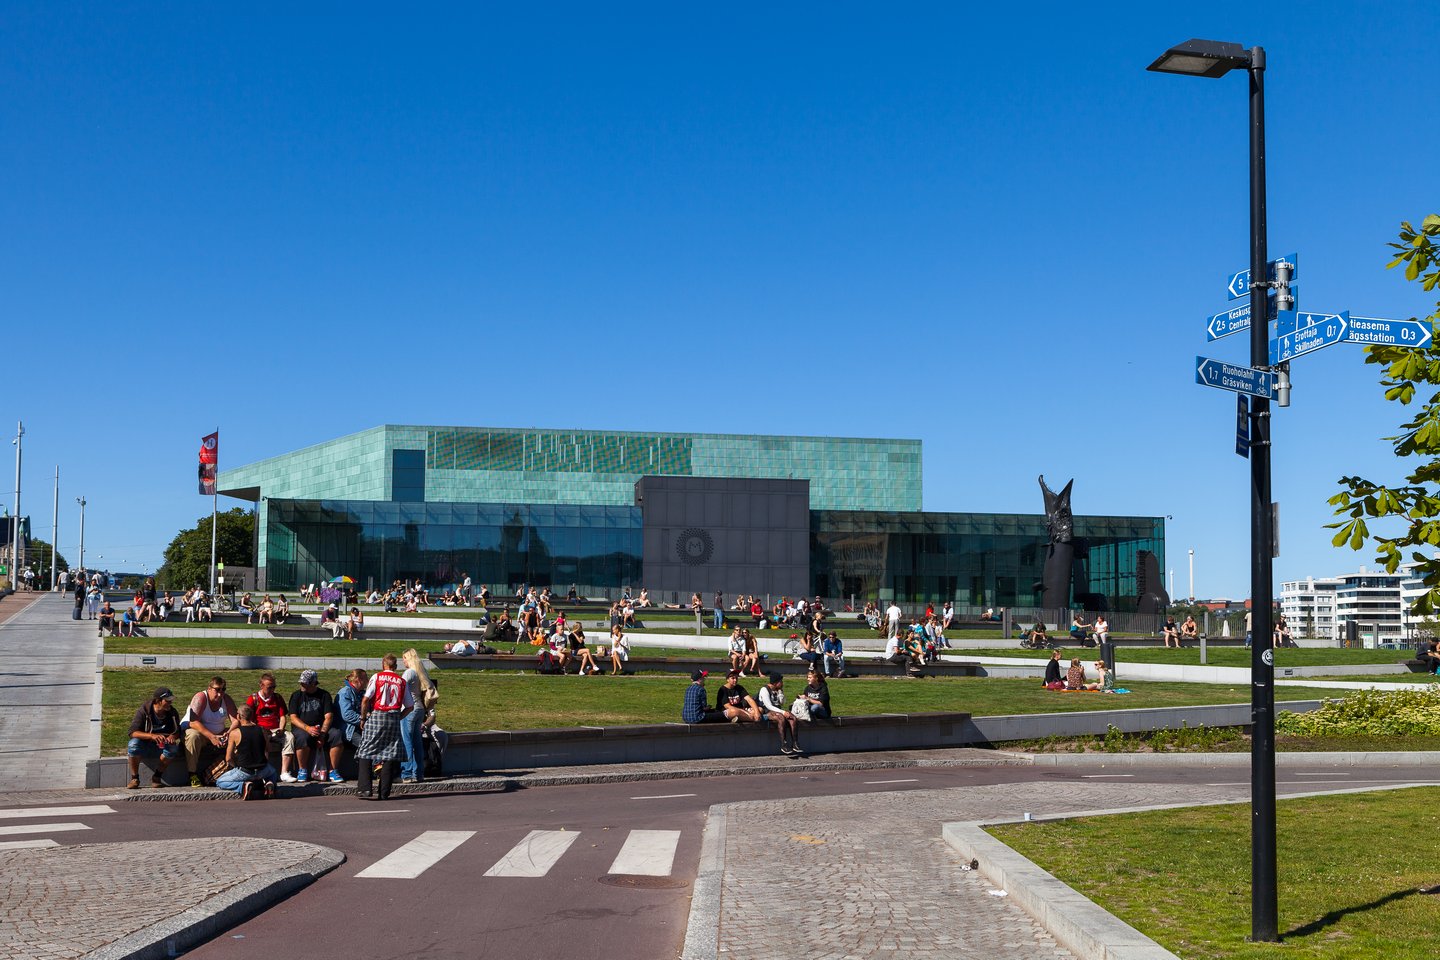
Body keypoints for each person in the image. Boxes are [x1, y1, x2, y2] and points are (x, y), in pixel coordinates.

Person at [356, 654, 413, 801]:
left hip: (378, 715)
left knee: (365, 751)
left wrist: (363, 718)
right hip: (394, 717)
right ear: (396, 666)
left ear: (383, 664)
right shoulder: (402, 681)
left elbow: (365, 699)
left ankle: (365, 788)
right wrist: (399, 717)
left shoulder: (377, 677)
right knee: (390, 754)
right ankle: (384, 792)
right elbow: (410, 706)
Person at [288, 669, 345, 783]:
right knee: (302, 737)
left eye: (305, 683)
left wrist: (322, 734)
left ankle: (333, 770)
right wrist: (308, 728)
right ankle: (302, 769)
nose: (302, 685)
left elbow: (328, 717)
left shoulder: (324, 695)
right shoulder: (296, 695)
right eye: (301, 683)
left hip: (321, 728)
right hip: (303, 728)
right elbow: (293, 718)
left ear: (313, 683)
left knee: (336, 735)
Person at [183, 676, 237, 787]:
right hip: (199, 732)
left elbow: (236, 720)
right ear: (209, 688)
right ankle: (192, 774)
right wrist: (212, 737)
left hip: (218, 733)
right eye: (217, 689)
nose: (220, 693)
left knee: (238, 734)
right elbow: (193, 722)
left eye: (223, 690)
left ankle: (238, 770)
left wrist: (228, 732)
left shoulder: (226, 699)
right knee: (193, 736)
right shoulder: (201, 697)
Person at [215, 703, 277, 800]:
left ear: (238, 716)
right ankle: (270, 783)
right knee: (273, 773)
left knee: (220, 781)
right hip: (262, 769)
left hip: (245, 771)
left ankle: (243, 786)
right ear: (251, 716)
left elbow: (228, 758)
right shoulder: (262, 730)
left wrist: (236, 767)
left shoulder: (235, 733)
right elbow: (268, 749)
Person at [127, 687, 183, 789]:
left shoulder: (172, 712)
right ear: (158, 701)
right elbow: (132, 732)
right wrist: (152, 736)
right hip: (145, 744)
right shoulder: (144, 711)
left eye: (171, 700)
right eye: (167, 701)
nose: (170, 703)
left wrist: (172, 736)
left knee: (173, 748)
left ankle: (157, 777)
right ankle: (134, 778)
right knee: (133, 744)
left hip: (162, 745)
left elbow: (177, 731)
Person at [246, 673, 293, 781]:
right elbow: (247, 719)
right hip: (260, 728)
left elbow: (282, 716)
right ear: (261, 686)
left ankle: (284, 772)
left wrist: (281, 729)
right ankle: (263, 772)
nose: (272, 690)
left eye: (274, 687)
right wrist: (259, 729)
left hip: (275, 729)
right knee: (262, 741)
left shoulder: (277, 698)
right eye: (269, 687)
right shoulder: (253, 699)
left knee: (289, 737)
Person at [399, 649, 437, 784]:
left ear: (409, 659)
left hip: (409, 709)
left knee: (407, 742)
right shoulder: (421, 672)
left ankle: (406, 773)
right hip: (420, 709)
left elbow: (400, 688)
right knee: (417, 742)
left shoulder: (409, 672)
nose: (403, 661)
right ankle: (419, 773)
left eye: (404, 658)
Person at [758, 673, 802, 755]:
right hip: (766, 712)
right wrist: (783, 712)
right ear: (775, 683)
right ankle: (783, 744)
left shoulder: (778, 690)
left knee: (792, 717)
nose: (782, 683)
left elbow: (782, 703)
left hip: (777, 711)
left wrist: (781, 693)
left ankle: (795, 743)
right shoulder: (764, 690)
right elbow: (768, 706)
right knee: (781, 717)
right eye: (781, 682)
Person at [337, 668, 368, 752]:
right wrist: (364, 720)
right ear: (359, 680)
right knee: (367, 746)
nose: (368, 681)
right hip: (349, 729)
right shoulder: (345, 692)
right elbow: (347, 715)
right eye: (366, 678)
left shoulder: (362, 693)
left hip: (361, 727)